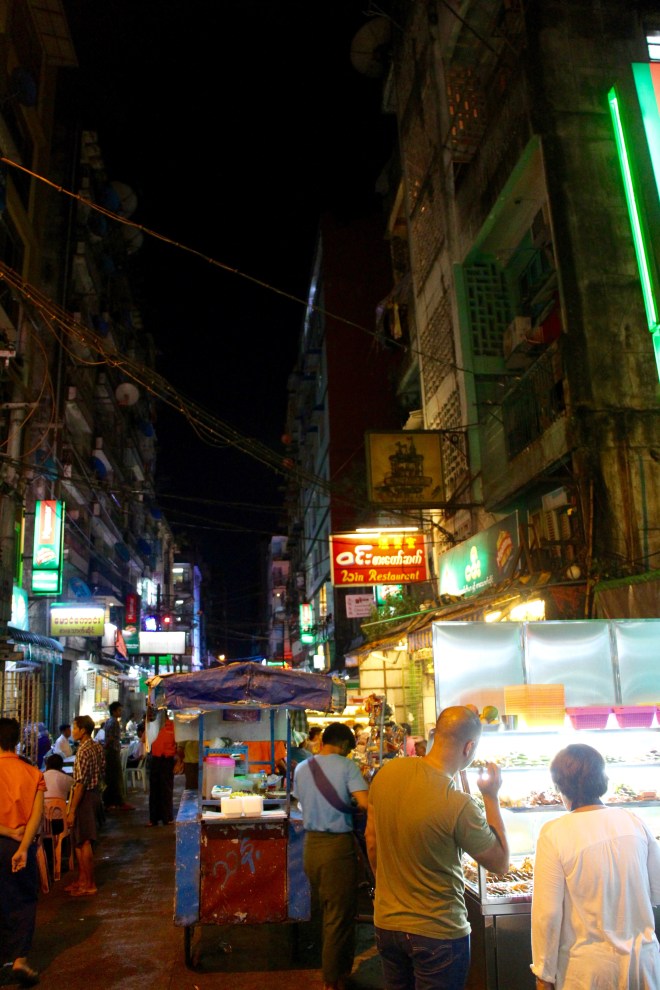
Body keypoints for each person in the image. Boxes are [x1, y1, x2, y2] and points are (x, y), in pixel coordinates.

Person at [365, 705, 509, 990]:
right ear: (469, 747)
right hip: (439, 932)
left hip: (387, 924)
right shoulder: (459, 804)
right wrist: (491, 797)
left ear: (435, 734)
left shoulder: (388, 773)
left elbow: (371, 840)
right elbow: (500, 864)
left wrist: (387, 891)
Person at [531, 743, 660, 989]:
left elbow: (547, 915)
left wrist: (543, 973)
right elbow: (657, 891)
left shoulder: (554, 833)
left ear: (560, 786)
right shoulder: (634, 821)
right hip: (644, 963)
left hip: (588, 970)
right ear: (602, 779)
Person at [293, 721, 369, 990]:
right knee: (338, 917)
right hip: (336, 849)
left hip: (311, 848)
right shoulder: (347, 766)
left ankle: (337, 973)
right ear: (345, 745)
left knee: (326, 912)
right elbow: (365, 803)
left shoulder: (302, 768)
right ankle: (332, 980)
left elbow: (300, 802)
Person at [0, 717, 45, 987]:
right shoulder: (32, 773)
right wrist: (24, 846)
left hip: (6, 838)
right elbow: (36, 817)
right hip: (19, 847)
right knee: (24, 901)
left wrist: (6, 831)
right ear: (17, 740)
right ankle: (18, 959)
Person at [65, 714, 105, 897]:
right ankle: (82, 880)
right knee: (80, 840)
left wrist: (72, 810)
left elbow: (80, 783)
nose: (73, 731)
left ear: (83, 730)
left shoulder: (82, 751)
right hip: (94, 794)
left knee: (84, 841)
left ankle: (89, 883)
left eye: (75, 728)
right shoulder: (96, 746)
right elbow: (102, 770)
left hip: (85, 797)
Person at [102, 701, 133, 811]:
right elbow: (110, 738)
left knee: (111, 778)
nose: (121, 712)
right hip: (112, 752)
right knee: (116, 778)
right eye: (119, 710)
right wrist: (106, 746)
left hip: (110, 751)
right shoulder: (114, 722)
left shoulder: (109, 721)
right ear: (114, 711)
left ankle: (111, 802)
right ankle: (118, 802)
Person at [148, 713, 178, 826]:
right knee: (154, 790)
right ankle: (153, 819)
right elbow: (144, 739)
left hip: (167, 760)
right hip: (155, 759)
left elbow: (177, 742)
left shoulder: (173, 726)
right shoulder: (152, 725)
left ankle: (168, 818)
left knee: (166, 790)